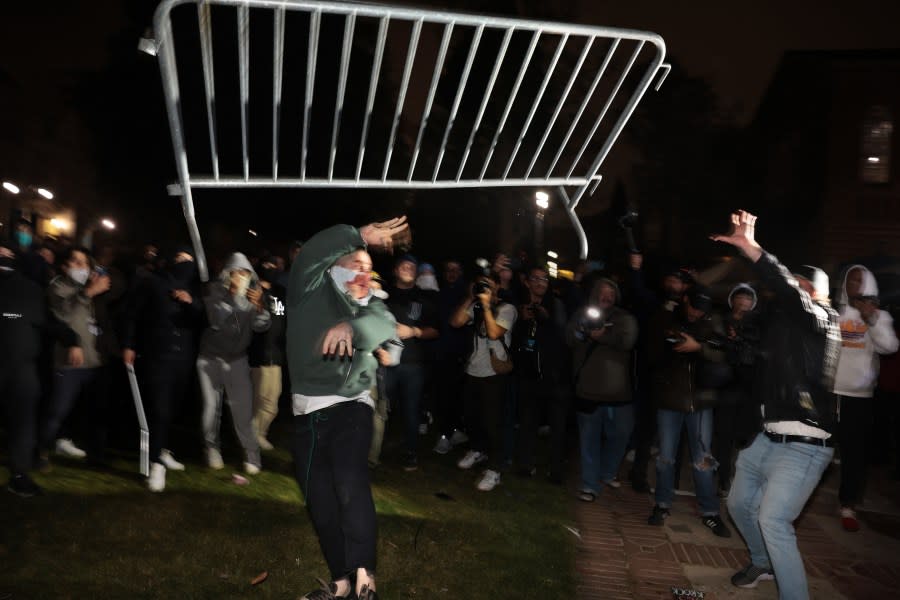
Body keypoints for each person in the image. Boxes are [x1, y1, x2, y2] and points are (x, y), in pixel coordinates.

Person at [713, 210, 841, 599]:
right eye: (795, 284)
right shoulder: (780, 327)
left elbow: (785, 291)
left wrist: (752, 250)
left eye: (804, 285)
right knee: (737, 504)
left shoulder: (822, 318)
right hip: (767, 438)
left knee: (774, 520)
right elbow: (749, 362)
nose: (796, 290)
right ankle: (761, 561)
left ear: (818, 293)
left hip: (805, 446)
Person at [288, 217, 408, 600]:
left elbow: (381, 324)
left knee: (350, 481)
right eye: (356, 265)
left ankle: (364, 578)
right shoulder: (309, 292)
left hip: (352, 406)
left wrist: (349, 329)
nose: (364, 274)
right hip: (307, 412)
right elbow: (309, 254)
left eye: (369, 269)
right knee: (320, 499)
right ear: (332, 267)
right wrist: (359, 236)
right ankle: (340, 580)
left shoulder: (373, 307)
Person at [645, 284, 732, 538]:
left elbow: (725, 357)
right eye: (693, 307)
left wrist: (699, 348)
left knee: (703, 461)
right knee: (665, 458)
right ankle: (661, 504)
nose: (696, 314)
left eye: (701, 310)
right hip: (670, 399)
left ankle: (710, 512)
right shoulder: (666, 319)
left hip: (701, 402)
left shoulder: (712, 325)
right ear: (685, 300)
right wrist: (670, 343)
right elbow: (651, 355)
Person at [1, 239, 80, 497]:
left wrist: (71, 339)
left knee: (23, 424)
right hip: (17, 369)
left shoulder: (29, 290)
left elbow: (48, 322)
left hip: (21, 370)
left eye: (7, 253)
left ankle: (20, 475)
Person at [122, 246, 204, 492]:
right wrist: (129, 345)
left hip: (184, 359)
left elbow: (204, 320)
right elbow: (131, 315)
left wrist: (191, 303)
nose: (185, 264)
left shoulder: (195, 289)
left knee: (174, 408)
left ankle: (163, 448)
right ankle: (155, 463)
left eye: (190, 261)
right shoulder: (151, 283)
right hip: (158, 355)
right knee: (159, 408)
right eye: (181, 258)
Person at [832, 264, 898, 531]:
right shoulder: (835, 311)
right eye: (850, 279)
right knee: (816, 449)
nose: (854, 285)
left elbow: (889, 347)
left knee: (854, 454)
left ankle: (848, 504)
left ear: (868, 284)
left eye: (859, 281)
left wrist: (870, 319)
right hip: (828, 392)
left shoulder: (878, 316)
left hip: (858, 396)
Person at [197, 252, 271, 474]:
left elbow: (261, 326)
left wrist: (258, 307)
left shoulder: (255, 295)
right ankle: (211, 448)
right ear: (226, 274)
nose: (240, 277)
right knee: (211, 408)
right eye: (235, 272)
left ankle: (252, 456)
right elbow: (216, 321)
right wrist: (233, 297)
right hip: (209, 360)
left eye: (245, 273)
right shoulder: (213, 292)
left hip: (238, 360)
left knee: (243, 411)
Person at [39, 246, 111, 467]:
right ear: (64, 265)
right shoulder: (58, 287)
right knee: (57, 411)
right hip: (68, 362)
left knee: (96, 414)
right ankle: (39, 451)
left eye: (84, 263)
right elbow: (62, 314)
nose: (80, 267)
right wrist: (87, 293)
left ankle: (96, 457)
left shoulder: (94, 288)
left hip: (95, 362)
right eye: (75, 262)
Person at [568, 277, 638, 500]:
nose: (606, 296)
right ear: (594, 294)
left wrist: (602, 335)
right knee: (588, 440)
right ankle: (589, 484)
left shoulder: (624, 317)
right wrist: (582, 331)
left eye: (611, 293)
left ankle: (607, 472)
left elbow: (628, 340)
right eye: (602, 292)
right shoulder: (582, 314)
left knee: (620, 435)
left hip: (619, 394)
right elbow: (569, 338)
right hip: (587, 391)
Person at [450, 272, 517, 492]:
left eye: (489, 284)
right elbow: (456, 322)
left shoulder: (507, 308)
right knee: (471, 416)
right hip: (473, 370)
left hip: (493, 373)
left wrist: (487, 306)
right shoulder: (475, 306)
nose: (485, 288)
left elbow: (495, 333)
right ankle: (477, 450)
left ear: (497, 286)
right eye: (481, 284)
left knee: (492, 424)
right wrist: (471, 298)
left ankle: (494, 470)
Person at [514, 265, 571, 483]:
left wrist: (547, 319)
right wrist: (522, 318)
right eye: (536, 279)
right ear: (527, 282)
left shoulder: (556, 305)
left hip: (554, 377)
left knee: (557, 426)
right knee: (528, 422)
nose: (541, 283)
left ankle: (556, 470)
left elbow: (565, 338)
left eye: (545, 279)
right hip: (528, 375)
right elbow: (515, 340)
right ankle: (525, 465)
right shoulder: (520, 306)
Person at [384, 254, 439, 471]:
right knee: (380, 408)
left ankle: (411, 452)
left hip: (413, 365)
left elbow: (435, 331)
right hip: (385, 361)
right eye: (404, 266)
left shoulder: (424, 298)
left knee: (411, 411)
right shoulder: (384, 295)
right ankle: (372, 449)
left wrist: (414, 331)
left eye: (412, 267)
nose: (408, 269)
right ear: (396, 270)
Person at [248, 256, 288, 451]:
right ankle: (251, 439)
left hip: (277, 356)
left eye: (276, 265)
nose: (272, 268)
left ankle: (258, 434)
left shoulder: (281, 293)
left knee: (272, 402)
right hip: (260, 356)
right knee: (259, 401)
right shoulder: (253, 290)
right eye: (268, 264)